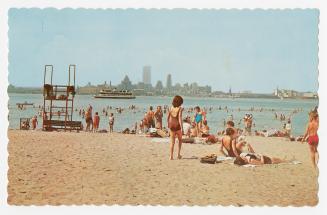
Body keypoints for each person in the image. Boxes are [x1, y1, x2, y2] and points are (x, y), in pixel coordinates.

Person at [167, 95, 184, 160]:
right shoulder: (180, 108)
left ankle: (171, 156)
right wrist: (182, 128)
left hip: (171, 126)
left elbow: (168, 117)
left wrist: (168, 124)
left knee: (172, 142)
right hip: (177, 126)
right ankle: (178, 154)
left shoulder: (170, 108)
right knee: (180, 140)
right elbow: (179, 118)